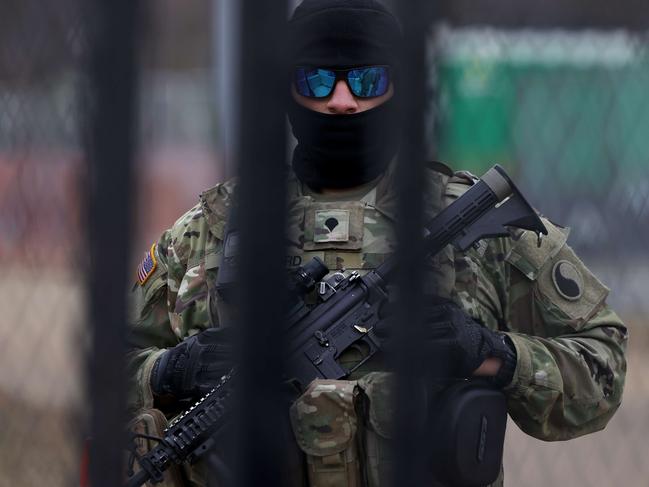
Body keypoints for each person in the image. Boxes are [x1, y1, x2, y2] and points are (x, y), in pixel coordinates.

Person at [126, 1, 628, 486]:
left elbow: (603, 371)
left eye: (368, 80)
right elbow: (109, 368)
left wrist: (492, 354)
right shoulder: (209, 231)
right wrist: (166, 370)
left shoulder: (474, 229)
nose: (342, 100)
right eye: (316, 80)